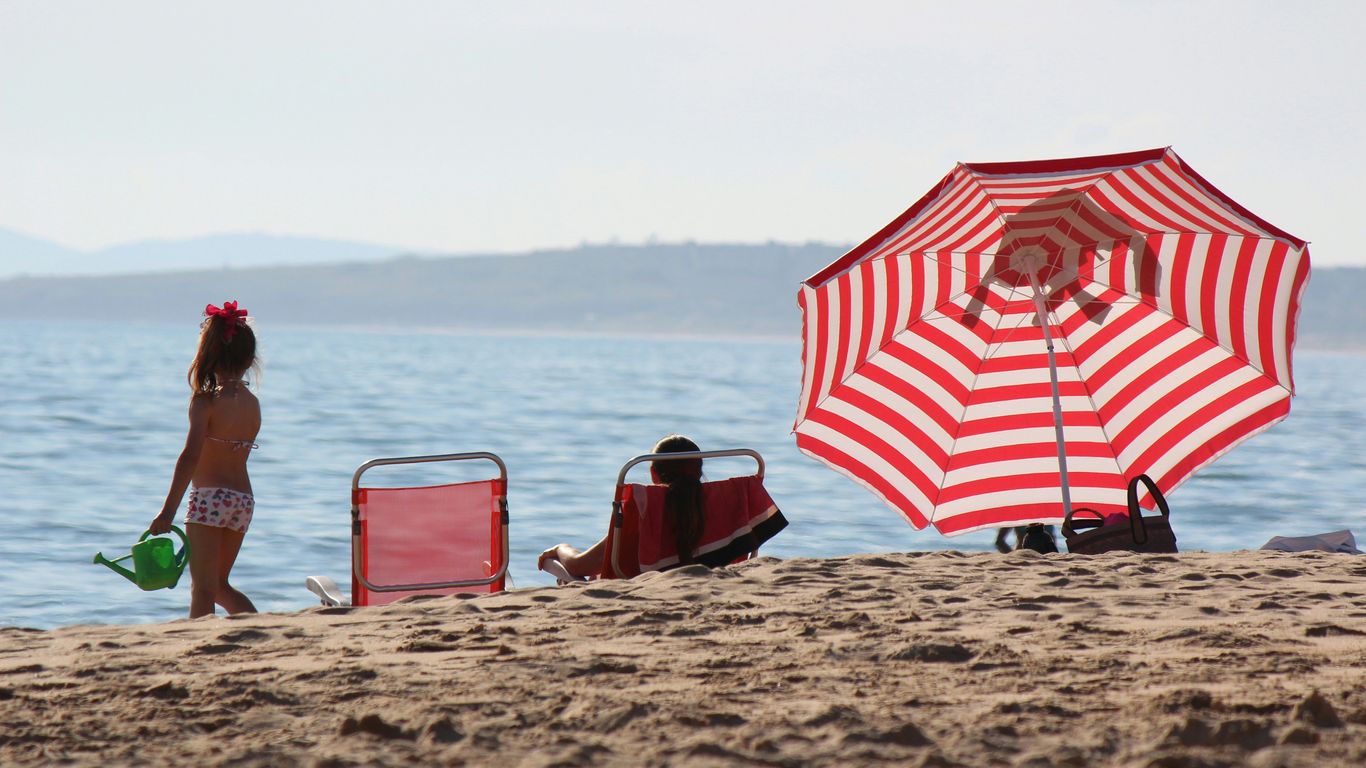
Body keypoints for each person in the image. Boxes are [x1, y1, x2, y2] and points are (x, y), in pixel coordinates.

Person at [149, 301, 261, 619]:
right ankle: (261, 630)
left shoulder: (205, 402)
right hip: (242, 500)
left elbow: (190, 457)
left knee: (202, 588)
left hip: (209, 499)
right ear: (250, 359)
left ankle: (197, 645)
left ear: (207, 355)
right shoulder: (252, 404)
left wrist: (167, 512)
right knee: (220, 586)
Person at [538, 434, 705, 580]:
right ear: (699, 471)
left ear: (653, 474)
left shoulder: (644, 511)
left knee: (561, 570)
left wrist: (561, 548)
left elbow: (578, 565)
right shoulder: (721, 506)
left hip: (644, 585)